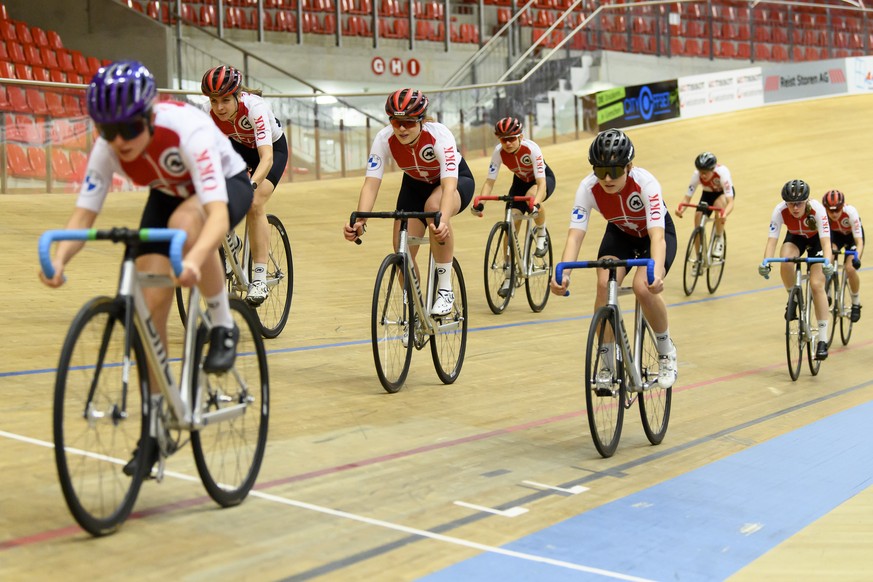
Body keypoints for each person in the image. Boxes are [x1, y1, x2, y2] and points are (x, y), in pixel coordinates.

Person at [38, 61, 253, 470]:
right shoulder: (108, 147)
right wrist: (59, 259)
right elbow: (84, 215)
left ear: (150, 117)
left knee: (188, 224)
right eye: (107, 131)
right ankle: (156, 427)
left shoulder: (187, 131)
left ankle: (223, 323)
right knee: (148, 309)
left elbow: (219, 218)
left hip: (224, 185)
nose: (119, 142)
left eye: (130, 130)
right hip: (168, 191)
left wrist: (192, 259)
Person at [549, 129, 679, 389]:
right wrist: (562, 273)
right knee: (603, 285)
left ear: (629, 167)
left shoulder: (646, 183)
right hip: (620, 235)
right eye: (600, 171)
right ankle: (607, 365)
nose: (607, 178)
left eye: (615, 171)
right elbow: (575, 236)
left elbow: (657, 237)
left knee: (644, 287)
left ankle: (667, 351)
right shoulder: (587, 188)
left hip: (653, 236)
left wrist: (658, 274)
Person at [343, 88, 475, 318]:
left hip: (452, 182)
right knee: (401, 248)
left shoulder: (439, 135)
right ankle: (415, 311)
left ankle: (444, 288)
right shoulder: (384, 138)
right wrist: (360, 219)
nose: (402, 128)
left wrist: (442, 219)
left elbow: (449, 185)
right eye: (396, 121)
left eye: (409, 122)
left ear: (421, 121)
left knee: (434, 210)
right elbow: (371, 184)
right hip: (414, 185)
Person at [202, 64, 289, 306]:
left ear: (238, 95)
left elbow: (267, 158)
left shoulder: (255, 108)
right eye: (213, 100)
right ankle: (231, 240)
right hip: (238, 150)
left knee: (254, 202)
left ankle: (259, 278)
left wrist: (249, 185)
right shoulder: (205, 114)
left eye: (225, 100)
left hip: (270, 151)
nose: (219, 108)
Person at [472, 116, 556, 298]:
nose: (508, 143)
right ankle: (509, 274)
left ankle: (541, 232)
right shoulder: (498, 152)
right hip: (519, 182)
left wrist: (536, 204)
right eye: (504, 140)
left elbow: (541, 183)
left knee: (532, 197)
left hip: (540, 180)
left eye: (512, 138)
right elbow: (489, 181)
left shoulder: (532, 149)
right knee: (510, 223)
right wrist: (480, 203)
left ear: (521, 137)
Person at [758, 179, 834, 360]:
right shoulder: (779, 211)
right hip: (795, 238)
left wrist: (828, 262)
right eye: (791, 204)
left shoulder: (818, 210)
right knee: (786, 261)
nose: (795, 208)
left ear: (806, 201)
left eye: (798, 203)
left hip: (816, 242)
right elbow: (772, 241)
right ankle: (793, 297)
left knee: (816, 285)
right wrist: (766, 262)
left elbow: (826, 242)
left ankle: (822, 340)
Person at [675, 152, 734, 272]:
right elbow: (687, 197)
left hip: (722, 194)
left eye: (705, 172)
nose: (703, 175)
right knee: (697, 218)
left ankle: (719, 239)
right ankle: (699, 259)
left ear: (712, 169)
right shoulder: (696, 175)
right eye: (700, 171)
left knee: (719, 206)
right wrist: (681, 209)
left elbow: (730, 202)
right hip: (707, 195)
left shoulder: (722, 173)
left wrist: (724, 214)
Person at [822, 189, 864, 322]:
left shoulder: (850, 212)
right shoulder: (823, 214)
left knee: (850, 268)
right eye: (831, 210)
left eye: (837, 210)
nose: (834, 214)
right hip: (836, 237)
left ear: (842, 206)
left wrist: (856, 258)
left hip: (852, 238)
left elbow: (859, 241)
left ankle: (856, 303)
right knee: (828, 259)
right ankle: (827, 293)